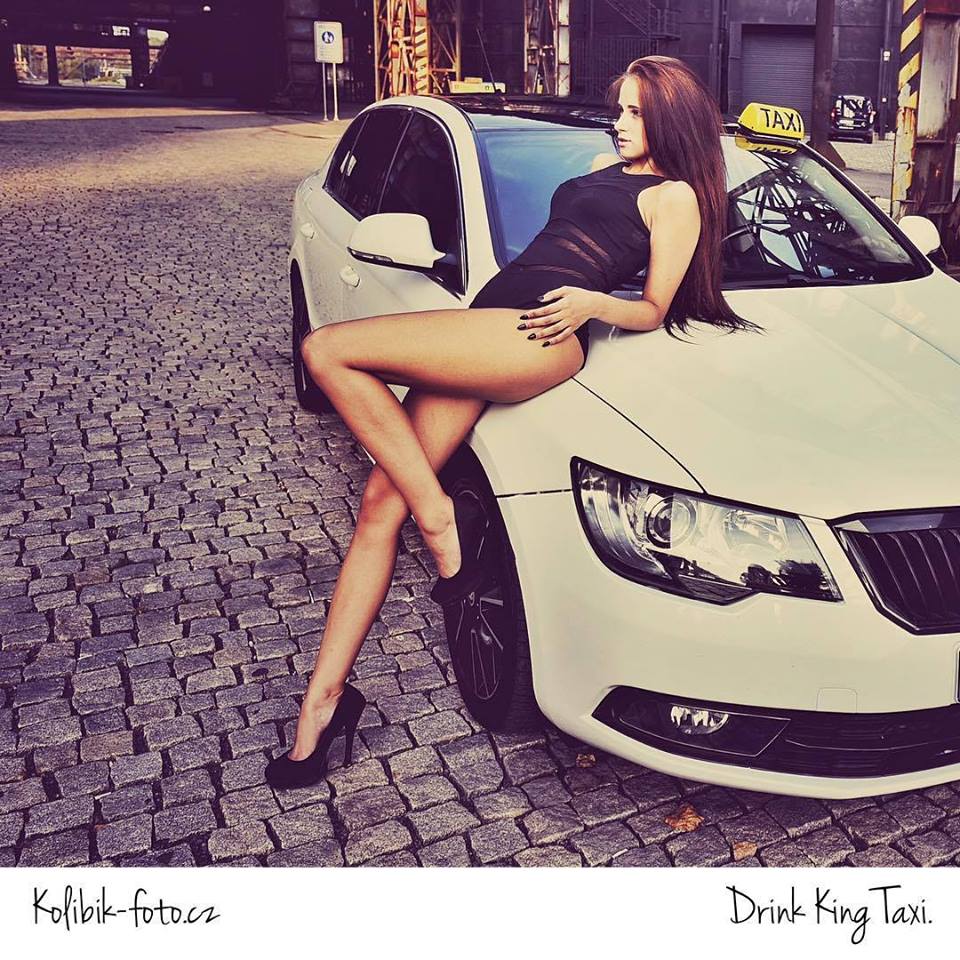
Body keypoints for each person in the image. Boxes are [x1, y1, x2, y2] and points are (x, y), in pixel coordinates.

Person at [265, 55, 758, 790]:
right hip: (490, 319)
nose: (620, 122)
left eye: (635, 112)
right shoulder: (603, 167)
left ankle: (440, 524)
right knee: (378, 504)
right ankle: (323, 707)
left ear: (669, 118)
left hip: (536, 333)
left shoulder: (677, 196)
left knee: (326, 349)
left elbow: (655, 307)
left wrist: (591, 304)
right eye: (620, 108)